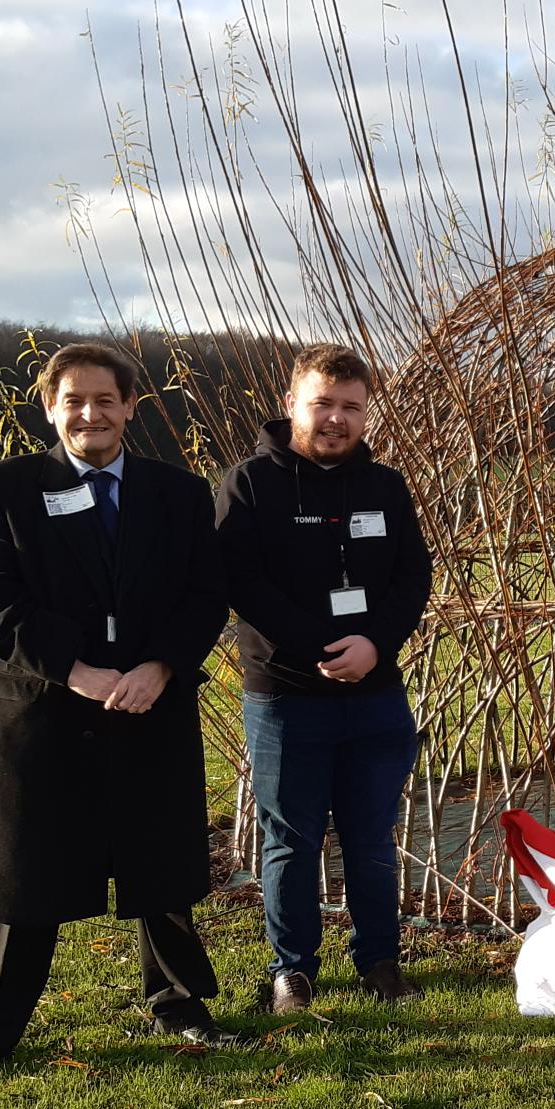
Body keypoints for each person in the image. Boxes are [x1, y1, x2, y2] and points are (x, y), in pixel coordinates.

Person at [0, 342, 239, 1093]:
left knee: (161, 866)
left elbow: (202, 595)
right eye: (73, 401)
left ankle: (184, 1007)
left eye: (105, 400)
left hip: (151, 706)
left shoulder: (179, 494)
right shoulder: (4, 489)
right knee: (18, 879)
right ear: (50, 407)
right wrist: (80, 673)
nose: (90, 414)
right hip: (44, 714)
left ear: (130, 406)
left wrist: (160, 667)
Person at [216, 344, 432, 1011]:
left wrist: (374, 643)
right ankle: (293, 971)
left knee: (371, 836)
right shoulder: (249, 485)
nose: (336, 419)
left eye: (350, 407)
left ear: (366, 414)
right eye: (323, 404)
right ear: (291, 405)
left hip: (375, 697)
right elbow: (242, 582)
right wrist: (323, 646)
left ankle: (380, 962)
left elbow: (412, 577)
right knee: (291, 840)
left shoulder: (385, 488)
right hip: (288, 697)